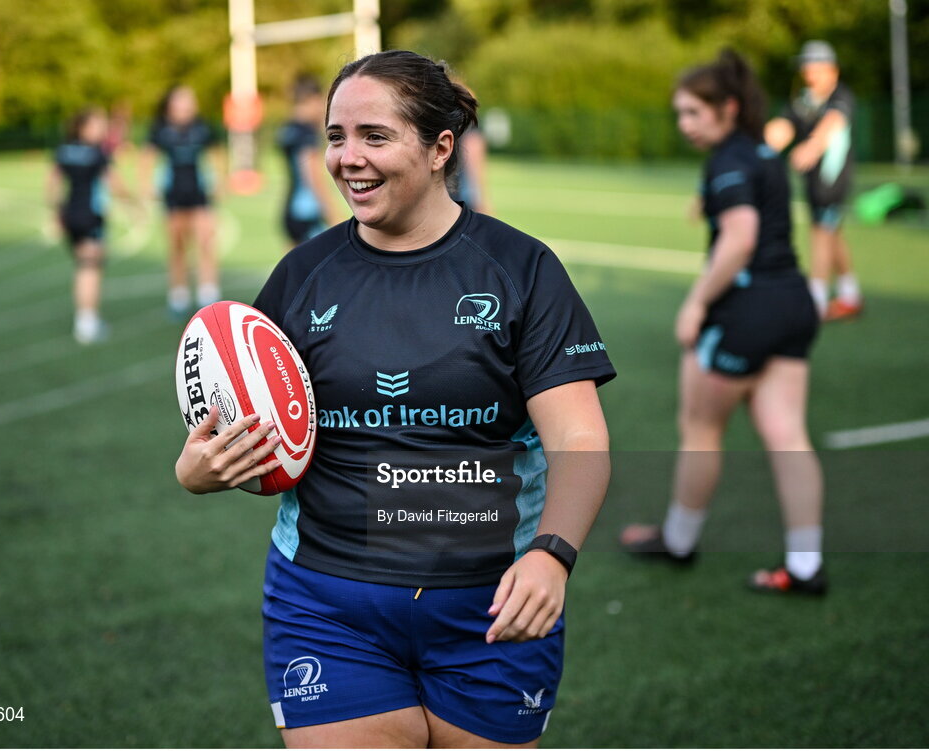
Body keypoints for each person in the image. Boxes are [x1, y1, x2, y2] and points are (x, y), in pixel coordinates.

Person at [175, 50, 615, 747]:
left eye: (374, 136)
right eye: (336, 136)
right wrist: (200, 470)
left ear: (442, 147)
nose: (349, 158)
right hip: (324, 603)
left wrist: (552, 553)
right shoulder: (302, 276)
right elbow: (274, 451)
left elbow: (581, 439)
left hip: (493, 605)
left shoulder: (522, 270)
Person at [619, 50, 827, 596]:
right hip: (794, 304)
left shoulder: (727, 160)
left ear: (727, 108)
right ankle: (806, 566)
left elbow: (741, 238)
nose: (684, 124)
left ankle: (679, 541)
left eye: (692, 112)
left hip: (747, 310)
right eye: (680, 113)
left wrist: (695, 304)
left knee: (701, 430)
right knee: (787, 435)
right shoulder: (760, 151)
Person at [766, 40, 862, 321]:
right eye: (806, 67)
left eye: (816, 67)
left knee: (821, 232)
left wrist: (810, 147)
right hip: (813, 182)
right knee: (833, 232)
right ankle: (849, 295)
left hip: (832, 181)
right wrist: (756, 147)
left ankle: (815, 301)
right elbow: (781, 128)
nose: (810, 73)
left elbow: (831, 124)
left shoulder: (841, 96)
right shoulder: (803, 101)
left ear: (832, 70)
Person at [45, 107, 136, 344]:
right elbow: (113, 182)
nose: (101, 130)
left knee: (81, 267)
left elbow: (52, 182)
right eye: (97, 125)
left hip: (70, 215)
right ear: (83, 127)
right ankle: (87, 322)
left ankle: (85, 319)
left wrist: (56, 212)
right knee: (90, 270)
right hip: (91, 216)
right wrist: (133, 204)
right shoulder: (97, 154)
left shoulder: (64, 151)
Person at [141, 85, 222, 318]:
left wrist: (219, 181)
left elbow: (216, 152)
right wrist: (147, 185)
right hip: (173, 195)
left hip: (199, 193)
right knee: (177, 247)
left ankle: (209, 295)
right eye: (182, 101)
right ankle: (179, 296)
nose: (188, 105)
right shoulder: (161, 129)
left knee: (206, 242)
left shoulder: (202, 127)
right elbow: (147, 156)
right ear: (171, 105)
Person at [276, 74, 343, 248]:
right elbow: (312, 176)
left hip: (290, 208)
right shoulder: (306, 133)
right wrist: (332, 213)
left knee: (296, 270)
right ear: (312, 99)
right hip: (308, 211)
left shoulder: (287, 129)